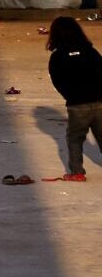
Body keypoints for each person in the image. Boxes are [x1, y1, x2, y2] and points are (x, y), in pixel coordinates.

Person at [46, 17, 101, 181]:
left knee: (75, 139)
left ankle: (77, 172)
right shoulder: (90, 51)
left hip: (77, 105)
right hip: (99, 101)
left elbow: (58, 81)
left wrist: (70, 96)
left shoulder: (57, 57)